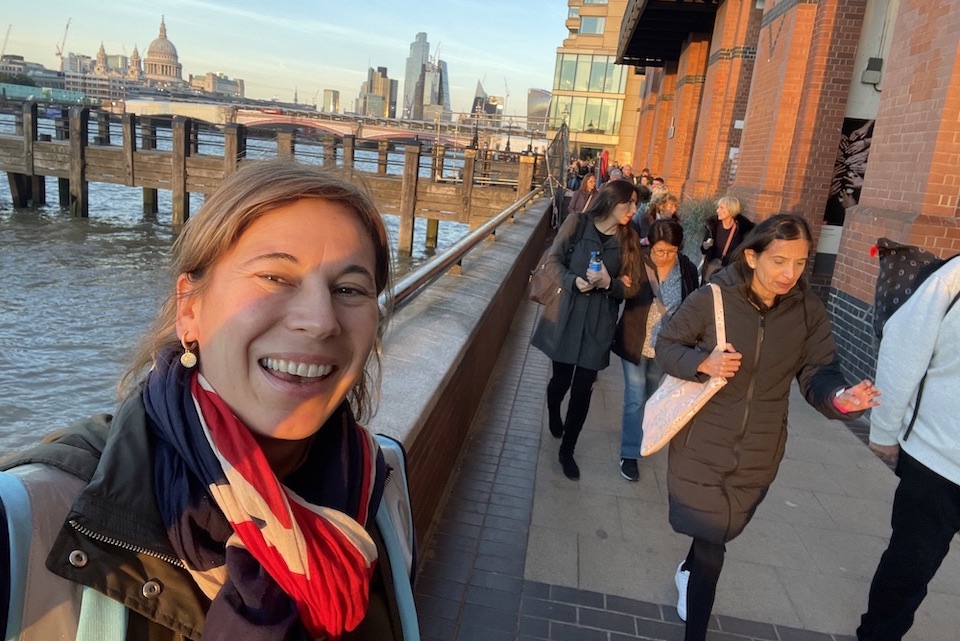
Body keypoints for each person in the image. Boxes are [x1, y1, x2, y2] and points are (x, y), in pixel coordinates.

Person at [0, 160, 416, 640]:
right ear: (190, 309)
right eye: (275, 277)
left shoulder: (378, 489)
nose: (320, 320)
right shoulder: (32, 519)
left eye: (349, 289)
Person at [654, 213, 880, 641]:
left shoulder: (807, 310)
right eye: (779, 261)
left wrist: (839, 398)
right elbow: (666, 344)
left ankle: (689, 569)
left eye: (799, 263)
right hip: (703, 441)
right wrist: (702, 363)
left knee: (717, 533)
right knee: (712, 547)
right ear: (753, 256)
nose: (789, 274)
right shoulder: (713, 298)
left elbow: (819, 372)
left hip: (760, 449)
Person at [856, 257, 960, 641]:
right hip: (937, 460)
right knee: (909, 569)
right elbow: (904, 346)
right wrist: (885, 430)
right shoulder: (953, 277)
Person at [531, 180, 644, 480]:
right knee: (560, 382)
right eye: (628, 203)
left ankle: (567, 450)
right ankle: (554, 409)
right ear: (610, 201)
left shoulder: (629, 238)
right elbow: (552, 260)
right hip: (566, 315)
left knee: (583, 390)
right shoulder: (577, 223)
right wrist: (572, 281)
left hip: (598, 323)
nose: (634, 210)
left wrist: (611, 284)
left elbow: (634, 286)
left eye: (636, 204)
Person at [612, 219, 699, 481]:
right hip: (635, 340)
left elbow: (693, 306)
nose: (663, 256)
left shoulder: (687, 269)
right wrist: (620, 284)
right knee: (636, 397)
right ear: (649, 245)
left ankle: (637, 431)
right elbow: (619, 294)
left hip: (666, 347)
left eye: (670, 251)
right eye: (658, 251)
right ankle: (630, 453)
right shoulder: (637, 262)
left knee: (651, 397)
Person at [700, 195, 755, 284]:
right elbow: (703, 250)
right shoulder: (713, 225)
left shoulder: (742, 229)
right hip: (712, 266)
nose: (717, 210)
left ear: (731, 210)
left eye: (721, 208)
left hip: (730, 270)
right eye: (718, 208)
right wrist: (705, 246)